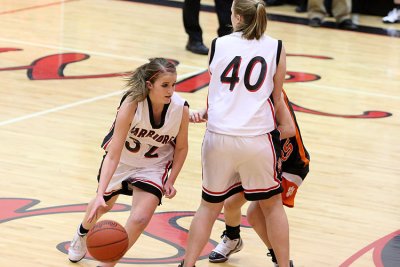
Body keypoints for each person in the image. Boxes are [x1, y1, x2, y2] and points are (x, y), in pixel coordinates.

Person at [179, 1, 295, 266]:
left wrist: (211, 112)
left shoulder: (218, 44)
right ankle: (284, 263)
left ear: (238, 17)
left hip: (219, 135)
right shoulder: (276, 46)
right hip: (257, 136)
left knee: (208, 206)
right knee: (271, 206)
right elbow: (276, 98)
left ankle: (187, 264)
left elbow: (218, 90)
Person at [67, 58, 190, 267]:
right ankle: (82, 233)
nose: (171, 90)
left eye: (173, 84)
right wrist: (99, 194)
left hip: (153, 166)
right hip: (123, 160)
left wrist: (171, 179)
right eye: (165, 85)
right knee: (103, 207)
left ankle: (108, 264)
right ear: (149, 85)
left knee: (140, 219)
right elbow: (113, 154)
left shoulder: (180, 108)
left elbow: (181, 148)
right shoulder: (132, 103)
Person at [204, 90, 310, 267]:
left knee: (255, 214)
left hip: (290, 164)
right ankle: (232, 238)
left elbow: (288, 130)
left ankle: (280, 259)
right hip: (260, 157)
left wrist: (246, 136)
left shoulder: (272, 93)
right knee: (230, 203)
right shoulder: (238, 89)